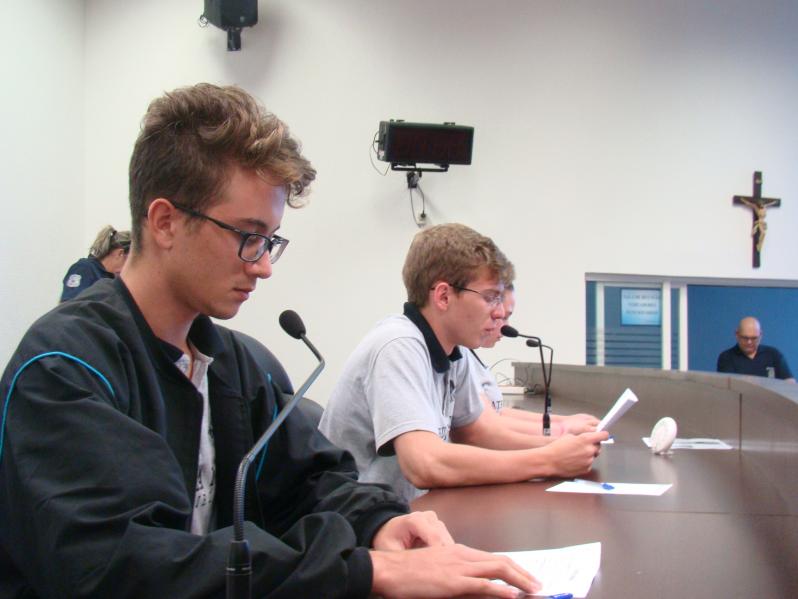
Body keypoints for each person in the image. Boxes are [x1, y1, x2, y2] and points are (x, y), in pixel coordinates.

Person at [0, 84, 538, 599]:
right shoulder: (63, 367)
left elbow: (309, 481)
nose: (263, 267)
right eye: (248, 237)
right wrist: (360, 570)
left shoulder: (233, 363)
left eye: (269, 241)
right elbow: (126, 567)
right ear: (165, 222)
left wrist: (379, 523)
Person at [319, 223, 608, 504]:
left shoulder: (452, 350)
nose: (500, 313)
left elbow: (475, 431)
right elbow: (425, 463)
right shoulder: (398, 345)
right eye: (490, 297)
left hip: (400, 509)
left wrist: (560, 447)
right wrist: (548, 460)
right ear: (444, 296)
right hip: (350, 520)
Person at [467, 285, 600, 436]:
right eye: (502, 317)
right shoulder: (462, 360)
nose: (505, 326)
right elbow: (484, 428)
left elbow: (496, 413)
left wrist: (563, 421)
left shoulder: (469, 359)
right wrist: (561, 430)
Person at [59, 225, 131, 301]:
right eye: (130, 260)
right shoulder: (84, 269)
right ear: (120, 253)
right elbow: (70, 303)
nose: (130, 267)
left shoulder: (112, 278)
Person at [717, 316, 796, 382]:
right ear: (737, 334)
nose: (749, 342)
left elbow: (789, 382)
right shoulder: (726, 357)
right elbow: (727, 387)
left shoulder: (773, 354)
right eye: (745, 338)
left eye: (754, 338)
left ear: (760, 335)